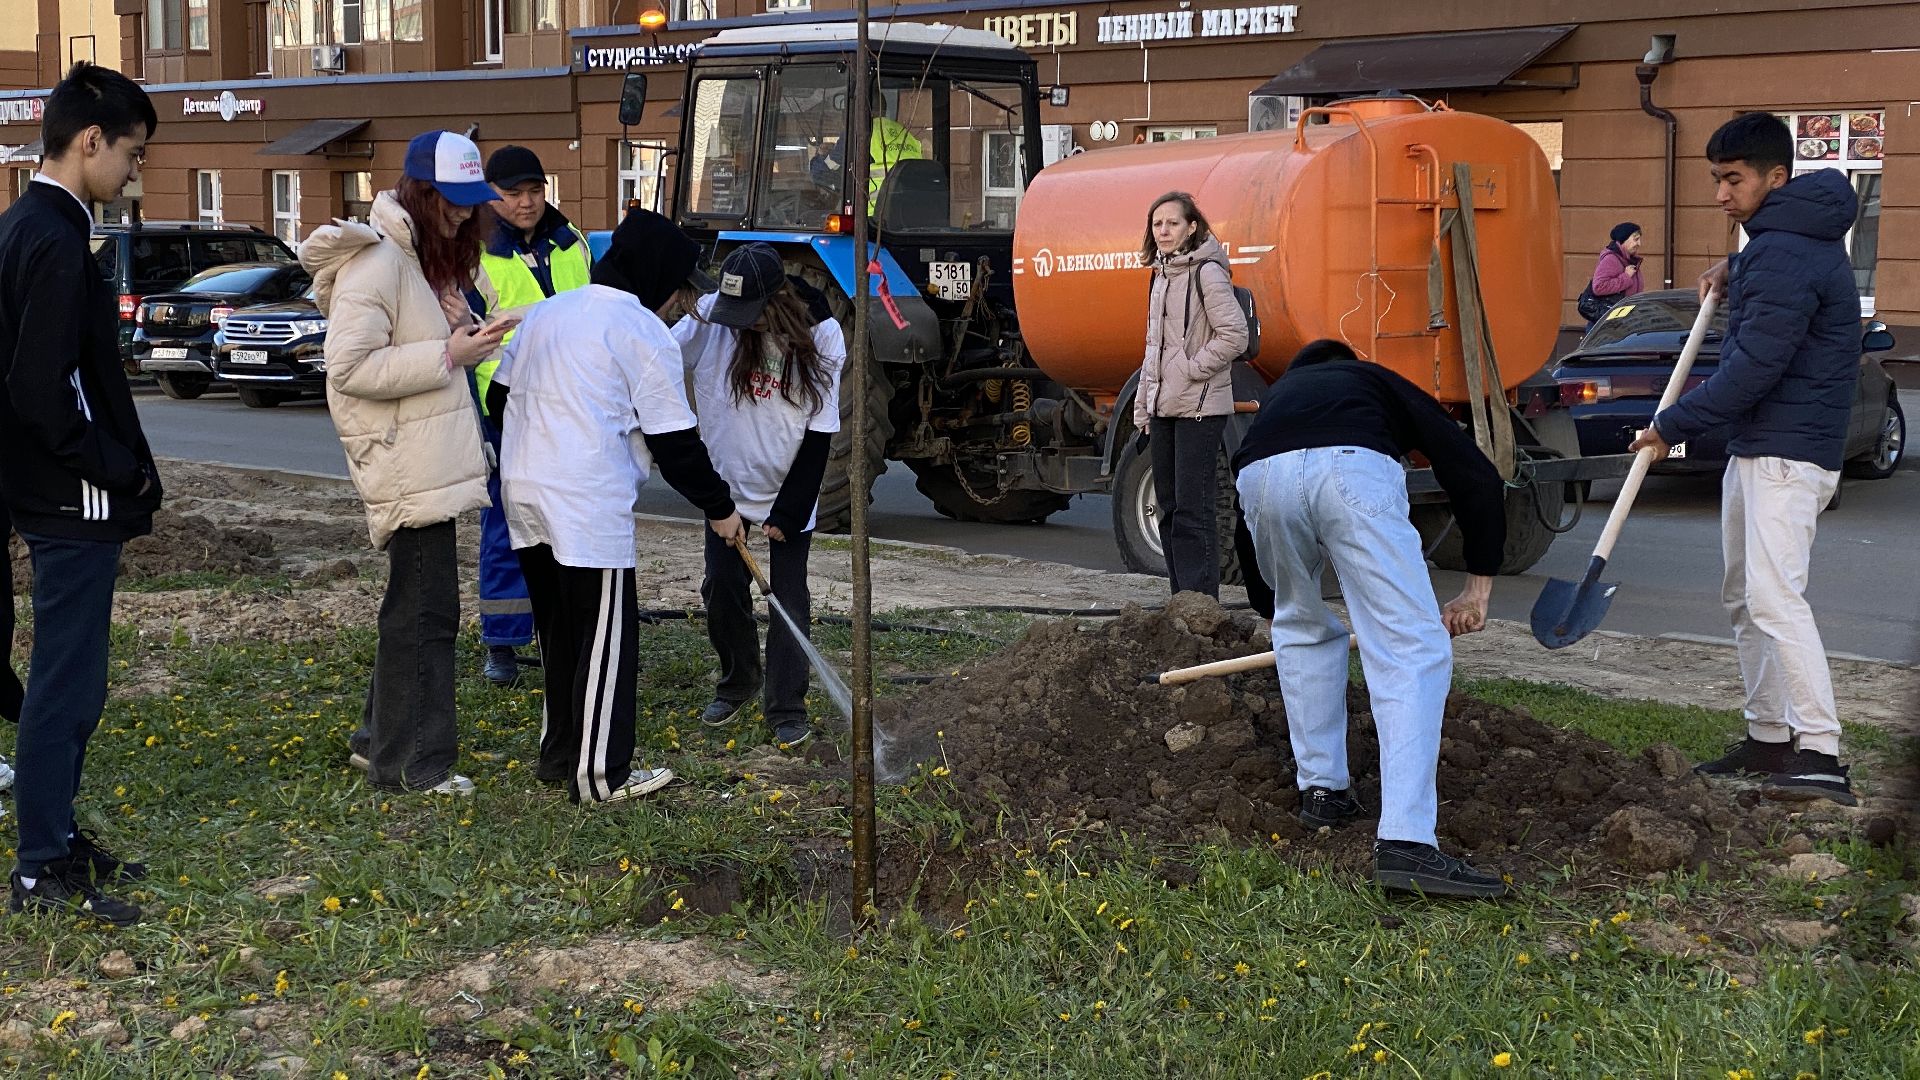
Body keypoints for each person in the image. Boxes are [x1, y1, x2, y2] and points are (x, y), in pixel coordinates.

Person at [1629, 113, 1861, 806]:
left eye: (1733, 180)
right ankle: (1767, 736)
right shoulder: (1782, 244)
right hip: (1761, 446)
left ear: (1775, 178)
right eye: (1717, 180)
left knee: (1773, 598)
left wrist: (1671, 423)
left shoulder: (1784, 251)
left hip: (1786, 454)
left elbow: (1758, 365)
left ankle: (1819, 750)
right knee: (1744, 598)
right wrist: (1737, 266)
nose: (1720, 194)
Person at [1234, 339, 1509, 899]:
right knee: (1411, 648)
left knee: (1302, 632)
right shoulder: (1375, 381)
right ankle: (1407, 844)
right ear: (1351, 364)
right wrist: (1476, 591)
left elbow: (1248, 532)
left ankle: (1323, 793)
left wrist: (1273, 609)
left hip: (1260, 480)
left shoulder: (1279, 399)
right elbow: (1473, 474)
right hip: (1351, 469)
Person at [488, 208, 741, 805]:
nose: (682, 304)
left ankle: (559, 757)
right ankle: (603, 776)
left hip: (525, 495)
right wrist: (721, 508)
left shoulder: (548, 313)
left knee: (559, 633)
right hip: (586, 504)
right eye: (681, 290)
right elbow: (675, 443)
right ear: (658, 278)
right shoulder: (640, 330)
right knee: (605, 640)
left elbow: (498, 400)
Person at [301, 130, 507, 796]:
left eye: (471, 201)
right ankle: (416, 767)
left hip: (428, 458)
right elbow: (349, 368)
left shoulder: (425, 262)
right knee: (426, 615)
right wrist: (449, 354)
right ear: (420, 192)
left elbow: (450, 339)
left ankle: (376, 743)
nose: (463, 213)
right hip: (406, 462)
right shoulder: (380, 263)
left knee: (412, 609)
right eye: (451, 200)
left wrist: (467, 326)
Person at [0, 62, 159, 925]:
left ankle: (54, 836)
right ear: (90, 140)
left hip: (50, 490)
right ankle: (41, 868)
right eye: (131, 154)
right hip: (73, 497)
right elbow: (41, 387)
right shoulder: (56, 238)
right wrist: (116, 469)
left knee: (70, 678)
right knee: (68, 682)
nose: (134, 172)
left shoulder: (21, 224)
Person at [672, 243, 846, 748]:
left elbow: (820, 432)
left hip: (789, 490)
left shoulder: (823, 333)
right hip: (725, 493)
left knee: (789, 600)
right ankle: (738, 679)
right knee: (721, 592)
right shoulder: (712, 319)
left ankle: (786, 706)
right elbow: (658, 356)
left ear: (776, 301)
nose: (739, 325)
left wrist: (792, 507)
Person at [468, 145, 594, 688]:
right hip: (506, 406)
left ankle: (559, 630)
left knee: (566, 521)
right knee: (505, 523)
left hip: (570, 402)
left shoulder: (573, 243)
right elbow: (467, 338)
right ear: (492, 196)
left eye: (535, 191)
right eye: (514, 194)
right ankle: (502, 641)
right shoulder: (472, 254)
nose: (527, 202)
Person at [1134, 191, 1248, 599]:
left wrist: (1191, 370)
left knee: (1193, 508)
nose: (1163, 231)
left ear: (1192, 227)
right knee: (1169, 505)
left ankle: (1201, 602)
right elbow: (1154, 345)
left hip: (1200, 407)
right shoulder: (1161, 275)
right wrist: (1144, 401)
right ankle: (1180, 598)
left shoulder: (1207, 273)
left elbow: (1235, 335)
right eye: (1157, 223)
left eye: (1172, 223)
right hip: (1164, 407)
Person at [1583, 222, 1645, 327]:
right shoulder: (1611, 259)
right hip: (1607, 326)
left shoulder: (1629, 260)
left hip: (1622, 322)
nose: (1639, 243)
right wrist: (1626, 277)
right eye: (1635, 239)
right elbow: (1599, 287)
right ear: (1623, 239)